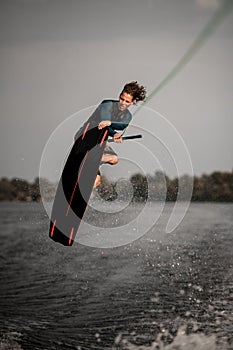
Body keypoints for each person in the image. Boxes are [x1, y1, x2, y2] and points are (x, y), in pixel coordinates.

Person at [74, 81, 147, 188]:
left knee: (112, 162)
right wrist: (114, 133)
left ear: (132, 102)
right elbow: (104, 122)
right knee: (103, 146)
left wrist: (114, 131)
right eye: (121, 98)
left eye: (127, 101)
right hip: (84, 137)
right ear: (119, 96)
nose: (123, 103)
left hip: (98, 144)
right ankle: (88, 159)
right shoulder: (107, 104)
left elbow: (122, 125)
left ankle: (89, 166)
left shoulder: (127, 116)